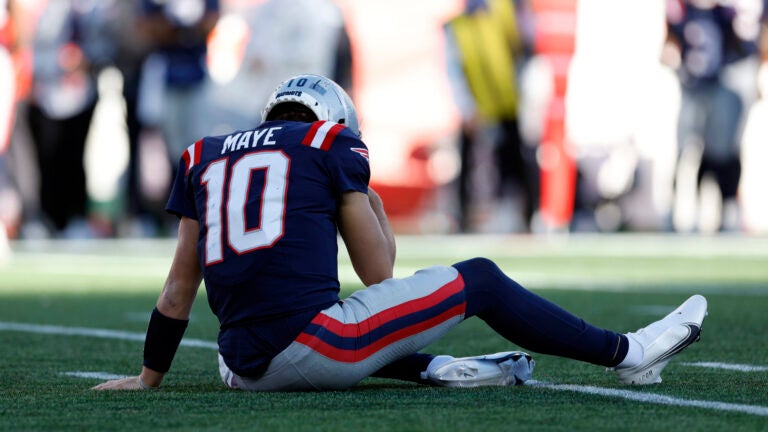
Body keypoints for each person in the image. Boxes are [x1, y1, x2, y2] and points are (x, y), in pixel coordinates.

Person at [93, 74, 707, 392]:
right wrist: (364, 193)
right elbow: (379, 273)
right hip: (314, 350)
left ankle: (436, 367)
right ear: (334, 122)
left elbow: (178, 287)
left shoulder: (205, 153)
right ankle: (630, 355)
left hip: (237, 366)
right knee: (481, 280)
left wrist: (148, 379)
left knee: (344, 320)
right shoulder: (329, 144)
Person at [444, 0, 539, 233]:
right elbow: (453, 68)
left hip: (508, 104)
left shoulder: (508, 11)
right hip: (477, 108)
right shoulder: (456, 26)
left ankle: (525, 217)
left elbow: (523, 52)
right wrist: (466, 108)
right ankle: (463, 218)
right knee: (466, 164)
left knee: (516, 163)